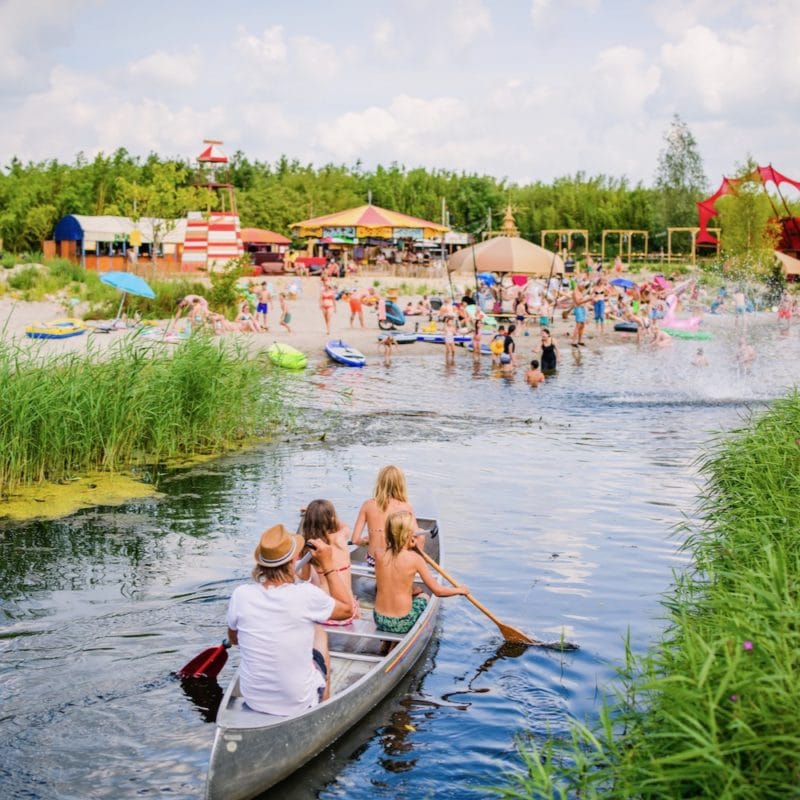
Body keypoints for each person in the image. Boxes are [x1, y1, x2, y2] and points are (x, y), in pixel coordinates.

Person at [225, 524, 353, 715]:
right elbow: (347, 609)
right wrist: (328, 565)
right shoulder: (307, 595)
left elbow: (235, 640)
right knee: (319, 632)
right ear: (294, 559)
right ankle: (322, 706)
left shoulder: (241, 594)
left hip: (253, 699)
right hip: (297, 702)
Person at [373, 511, 469, 634]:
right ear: (409, 535)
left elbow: (394, 573)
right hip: (401, 623)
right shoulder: (415, 559)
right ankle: (394, 643)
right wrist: (460, 590)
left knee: (408, 591)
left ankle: (386, 643)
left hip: (379, 619)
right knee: (424, 596)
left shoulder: (379, 554)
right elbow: (438, 591)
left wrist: (412, 547)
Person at [298, 500, 359, 624]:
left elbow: (305, 578)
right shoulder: (340, 539)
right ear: (332, 518)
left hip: (324, 612)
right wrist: (328, 516)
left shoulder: (310, 547)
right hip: (346, 612)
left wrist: (309, 515)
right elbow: (344, 526)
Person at [352, 465, 417, 567]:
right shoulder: (406, 507)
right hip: (395, 561)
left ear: (380, 483)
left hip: (374, 560)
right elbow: (415, 536)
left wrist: (366, 541)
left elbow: (355, 540)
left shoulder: (367, 505)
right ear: (401, 484)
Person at [571, 281, 591, 347]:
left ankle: (580, 340)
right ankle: (574, 341)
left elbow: (581, 301)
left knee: (582, 325)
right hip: (578, 308)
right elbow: (578, 302)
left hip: (582, 309)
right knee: (578, 325)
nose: (584, 288)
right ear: (579, 286)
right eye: (583, 287)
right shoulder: (575, 292)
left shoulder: (580, 292)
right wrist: (588, 300)